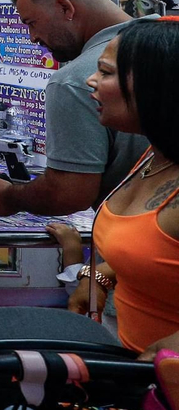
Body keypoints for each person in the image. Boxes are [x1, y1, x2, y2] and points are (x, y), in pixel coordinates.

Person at [0, 0, 142, 216]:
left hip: (141, 238)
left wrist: (9, 196)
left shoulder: (75, 80)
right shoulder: (168, 40)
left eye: (31, 23)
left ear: (66, 8)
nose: (32, 38)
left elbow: (68, 193)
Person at [66, 18, 179, 359]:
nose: (91, 81)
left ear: (158, 85)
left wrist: (164, 355)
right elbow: (155, 250)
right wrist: (99, 275)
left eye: (105, 72)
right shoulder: (155, 154)